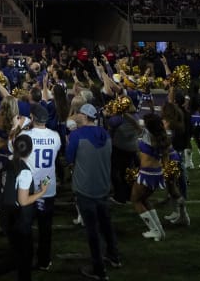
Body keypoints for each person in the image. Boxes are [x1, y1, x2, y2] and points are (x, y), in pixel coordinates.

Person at [0, 133, 48, 281]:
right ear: (30, 150)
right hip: (17, 217)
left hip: (5, 212)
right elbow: (23, 201)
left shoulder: (6, 161)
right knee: (24, 257)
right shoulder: (25, 171)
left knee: (17, 255)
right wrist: (41, 192)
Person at [66, 103, 117, 280]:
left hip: (85, 188)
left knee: (92, 230)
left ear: (84, 116)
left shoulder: (76, 135)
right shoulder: (106, 134)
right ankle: (114, 256)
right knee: (106, 224)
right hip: (103, 186)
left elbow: (69, 158)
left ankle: (99, 269)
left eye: (79, 114)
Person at [24, 103, 62, 270]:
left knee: (25, 226)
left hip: (30, 188)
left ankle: (25, 257)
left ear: (32, 118)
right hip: (47, 187)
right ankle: (44, 260)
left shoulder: (26, 136)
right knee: (45, 227)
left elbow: (12, 147)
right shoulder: (55, 136)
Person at [131, 112, 170, 242]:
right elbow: (166, 159)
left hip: (146, 173)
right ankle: (159, 230)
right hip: (157, 173)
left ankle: (155, 230)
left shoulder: (147, 135)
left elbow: (134, 124)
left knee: (136, 200)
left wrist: (123, 113)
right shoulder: (163, 136)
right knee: (145, 200)